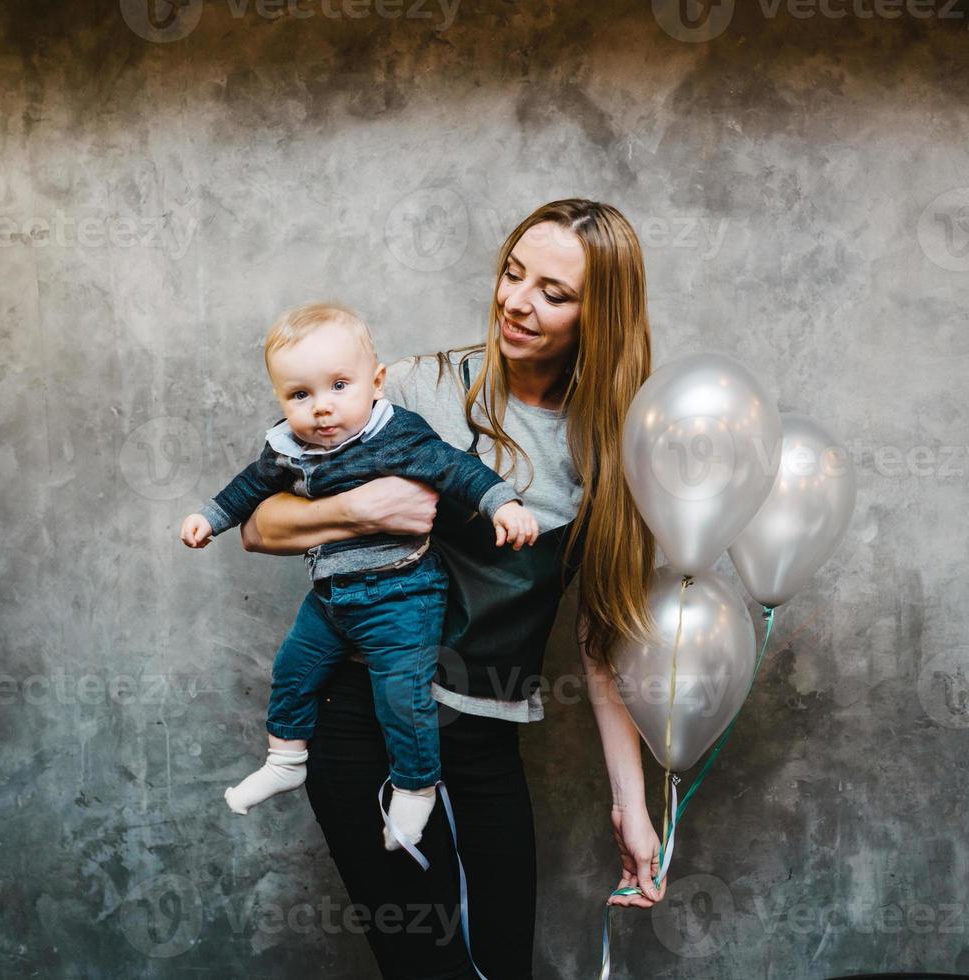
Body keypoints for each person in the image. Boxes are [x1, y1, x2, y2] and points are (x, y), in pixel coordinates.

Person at [239, 199, 665, 979]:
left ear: (600, 316)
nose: (517, 301)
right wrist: (354, 507)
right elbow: (259, 525)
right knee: (427, 972)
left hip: (485, 737)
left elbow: (602, 637)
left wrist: (630, 805)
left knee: (502, 966)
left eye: (553, 293)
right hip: (365, 725)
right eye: (512, 273)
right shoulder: (414, 389)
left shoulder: (617, 443)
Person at [180, 302, 539, 851]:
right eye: (300, 395)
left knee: (401, 695)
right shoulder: (288, 447)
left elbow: (456, 469)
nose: (322, 409)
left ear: (375, 383)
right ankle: (285, 760)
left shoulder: (397, 434)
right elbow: (249, 490)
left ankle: (416, 788)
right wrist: (209, 517)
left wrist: (503, 505)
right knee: (293, 673)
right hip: (332, 596)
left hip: (403, 593)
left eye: (339, 386)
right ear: (281, 399)